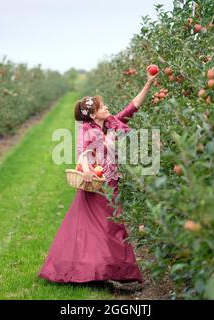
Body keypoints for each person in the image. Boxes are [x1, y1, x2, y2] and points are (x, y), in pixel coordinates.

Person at [38, 66, 158, 291]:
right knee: (103, 230)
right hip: (96, 185)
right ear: (93, 115)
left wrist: (148, 83)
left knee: (109, 229)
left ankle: (101, 274)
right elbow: (82, 153)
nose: (107, 107)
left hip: (111, 185)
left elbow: (132, 107)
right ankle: (99, 274)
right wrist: (86, 169)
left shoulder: (111, 123)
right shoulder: (87, 130)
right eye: (103, 106)